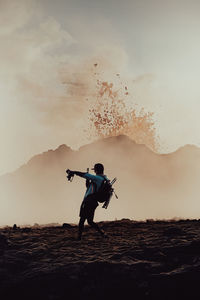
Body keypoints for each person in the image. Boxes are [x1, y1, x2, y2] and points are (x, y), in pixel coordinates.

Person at [67, 163, 108, 240]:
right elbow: (89, 187)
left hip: (88, 201)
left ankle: (79, 238)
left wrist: (73, 172)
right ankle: (102, 233)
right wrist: (87, 180)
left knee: (82, 220)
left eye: (95, 170)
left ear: (96, 170)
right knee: (90, 221)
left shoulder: (97, 178)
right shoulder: (104, 179)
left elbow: (83, 174)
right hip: (94, 202)